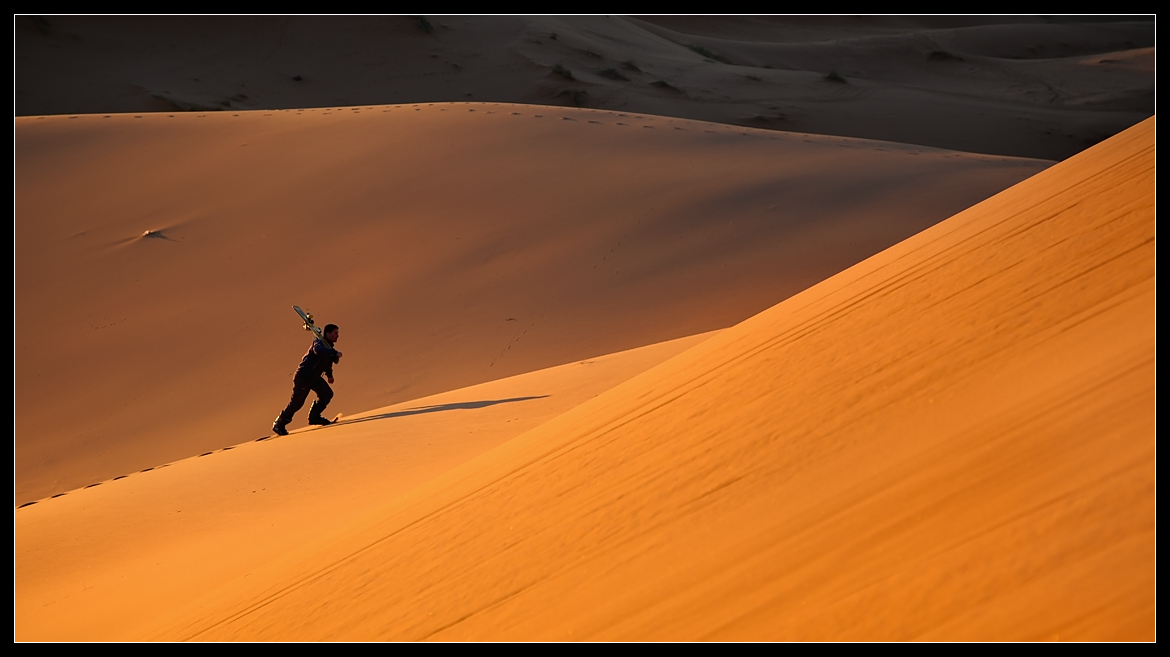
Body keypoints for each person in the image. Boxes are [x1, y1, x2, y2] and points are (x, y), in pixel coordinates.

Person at [272, 324, 342, 436]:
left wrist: (329, 375)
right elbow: (318, 350)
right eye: (335, 333)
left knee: (327, 394)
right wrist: (334, 353)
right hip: (303, 377)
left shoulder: (329, 348)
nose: (337, 336)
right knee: (297, 403)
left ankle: (314, 417)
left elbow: (328, 363)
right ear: (328, 334)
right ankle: (279, 424)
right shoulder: (319, 343)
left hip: (314, 378)